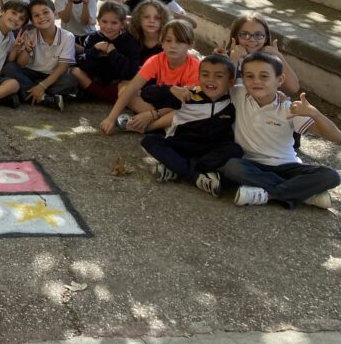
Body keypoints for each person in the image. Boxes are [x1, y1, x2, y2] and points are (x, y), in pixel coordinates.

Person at [222, 52, 341, 208]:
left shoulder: (289, 108)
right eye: (249, 76)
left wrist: (314, 113)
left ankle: (269, 195)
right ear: (242, 79)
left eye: (264, 76)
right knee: (232, 167)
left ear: (279, 80)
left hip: (287, 166)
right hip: (252, 165)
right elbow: (214, 82)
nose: (256, 81)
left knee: (331, 176)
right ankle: (305, 195)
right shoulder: (238, 94)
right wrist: (232, 58)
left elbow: (336, 136)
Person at [140, 54, 242, 196]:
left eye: (219, 76)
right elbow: (146, 94)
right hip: (182, 146)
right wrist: (170, 89)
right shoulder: (188, 95)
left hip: (210, 152)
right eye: (205, 75)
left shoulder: (234, 98)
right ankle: (196, 176)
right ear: (198, 77)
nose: (210, 80)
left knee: (235, 150)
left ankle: (176, 167)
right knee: (149, 141)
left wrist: (281, 97)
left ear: (230, 82)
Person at [100, 19, 200, 134]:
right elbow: (132, 87)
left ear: (190, 45)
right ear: (161, 42)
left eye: (180, 42)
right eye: (168, 40)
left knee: (189, 111)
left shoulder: (195, 68)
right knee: (124, 90)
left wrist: (152, 114)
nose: (173, 46)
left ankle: (149, 127)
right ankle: (164, 125)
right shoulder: (156, 60)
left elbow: (188, 104)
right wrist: (110, 119)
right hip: (160, 105)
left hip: (180, 108)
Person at [1, 0, 78, 111]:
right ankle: (45, 98)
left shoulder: (67, 36)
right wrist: (27, 50)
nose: (41, 17)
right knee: (9, 68)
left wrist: (42, 85)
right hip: (30, 74)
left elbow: (63, 67)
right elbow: (21, 64)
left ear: (55, 13)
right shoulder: (30, 34)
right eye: (36, 15)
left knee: (70, 80)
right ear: (32, 20)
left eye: (46, 12)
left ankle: (27, 93)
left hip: (51, 76)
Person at [71, 1, 140, 103]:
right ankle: (106, 96)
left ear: (122, 24)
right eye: (104, 21)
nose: (108, 27)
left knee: (129, 84)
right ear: (98, 21)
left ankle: (98, 95)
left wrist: (113, 52)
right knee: (75, 71)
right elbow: (83, 65)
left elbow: (131, 72)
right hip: (94, 81)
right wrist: (95, 50)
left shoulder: (130, 41)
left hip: (117, 83)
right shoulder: (93, 38)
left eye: (114, 23)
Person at [220, 13, 299, 95]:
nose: (252, 39)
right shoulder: (226, 58)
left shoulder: (270, 60)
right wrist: (234, 58)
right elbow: (221, 91)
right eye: (245, 35)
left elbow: (293, 88)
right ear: (236, 36)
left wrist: (279, 56)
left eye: (258, 35)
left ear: (266, 38)